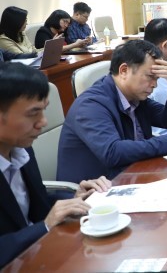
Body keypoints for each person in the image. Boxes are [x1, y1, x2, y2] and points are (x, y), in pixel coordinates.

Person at [0, 62, 112, 266]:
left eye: (43, 111)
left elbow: (32, 204)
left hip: (40, 254)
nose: (43, 122)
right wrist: (44, 226)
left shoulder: (21, 148)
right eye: (33, 113)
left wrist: (74, 198)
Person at [57, 40, 167, 183]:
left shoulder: (135, 97)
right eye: (150, 77)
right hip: (93, 192)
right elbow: (112, 152)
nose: (154, 85)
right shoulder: (91, 105)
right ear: (124, 71)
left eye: (157, 78)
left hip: (133, 175)